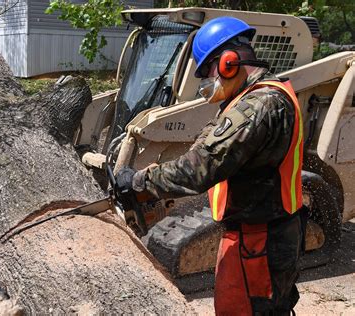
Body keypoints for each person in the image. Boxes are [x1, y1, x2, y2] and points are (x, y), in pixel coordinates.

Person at [115, 17, 306, 315]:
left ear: (229, 61)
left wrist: (138, 181)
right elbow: (205, 147)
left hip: (258, 242)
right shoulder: (250, 99)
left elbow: (200, 168)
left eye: (207, 71)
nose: (205, 80)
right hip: (260, 236)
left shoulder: (257, 106)